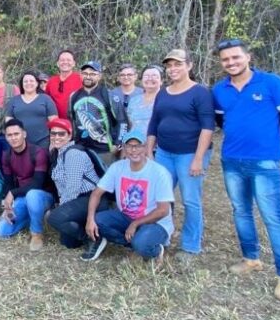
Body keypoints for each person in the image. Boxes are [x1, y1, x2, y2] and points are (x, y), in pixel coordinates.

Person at [213, 39, 280, 301]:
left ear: (248, 57)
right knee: (241, 211)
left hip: (264, 162)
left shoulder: (271, 83)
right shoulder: (219, 90)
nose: (231, 62)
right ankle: (251, 258)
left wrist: (270, 139)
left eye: (235, 57)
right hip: (232, 160)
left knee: (273, 216)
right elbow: (221, 120)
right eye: (226, 59)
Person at [146, 49, 214, 261]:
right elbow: (154, 123)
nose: (172, 69)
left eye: (178, 64)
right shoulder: (163, 93)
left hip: (189, 154)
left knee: (191, 200)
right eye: (169, 65)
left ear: (189, 65)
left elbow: (207, 127)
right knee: (161, 198)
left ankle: (191, 246)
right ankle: (162, 236)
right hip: (164, 153)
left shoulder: (200, 93)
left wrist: (198, 159)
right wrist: (149, 151)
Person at [84, 130, 175, 264]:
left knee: (142, 244)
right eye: (129, 146)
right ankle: (133, 244)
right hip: (127, 217)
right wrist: (90, 219)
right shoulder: (117, 167)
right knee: (97, 221)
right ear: (124, 148)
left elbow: (163, 211)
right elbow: (96, 193)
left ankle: (155, 250)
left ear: (145, 147)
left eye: (138, 146)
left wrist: (135, 223)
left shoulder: (160, 173)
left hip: (155, 222)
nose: (134, 150)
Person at [45, 118, 107, 260]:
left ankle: (93, 239)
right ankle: (87, 230)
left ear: (69, 135)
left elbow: (73, 188)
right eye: (53, 133)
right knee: (69, 243)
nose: (56, 137)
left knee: (54, 217)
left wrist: (61, 209)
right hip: (78, 201)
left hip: (90, 199)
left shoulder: (73, 153)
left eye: (61, 134)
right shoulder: (58, 153)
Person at [0, 119, 54, 250]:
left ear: (24, 134)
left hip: (42, 195)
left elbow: (37, 184)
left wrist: (13, 193)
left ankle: (36, 233)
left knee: (32, 195)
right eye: (9, 135)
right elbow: (8, 183)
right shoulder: (6, 155)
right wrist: (8, 206)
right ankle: (36, 216)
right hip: (22, 196)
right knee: (2, 231)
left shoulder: (38, 152)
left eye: (16, 134)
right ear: (6, 137)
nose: (13, 138)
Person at [69, 60, 127, 165]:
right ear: (80, 75)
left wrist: (117, 144)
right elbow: (72, 121)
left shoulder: (110, 96)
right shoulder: (74, 96)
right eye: (85, 73)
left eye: (92, 74)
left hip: (104, 151)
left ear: (99, 76)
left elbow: (122, 122)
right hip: (80, 150)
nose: (88, 77)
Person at [5, 71, 58, 149]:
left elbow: (54, 122)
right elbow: (8, 123)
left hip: (43, 142)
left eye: (31, 81)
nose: (28, 83)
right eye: (25, 81)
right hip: (20, 144)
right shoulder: (14, 101)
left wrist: (54, 142)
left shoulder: (46, 99)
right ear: (22, 84)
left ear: (37, 83)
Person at [127, 65, 163, 140]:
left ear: (161, 81)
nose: (150, 78)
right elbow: (129, 125)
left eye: (154, 76)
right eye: (146, 76)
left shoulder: (166, 100)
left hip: (159, 145)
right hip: (135, 144)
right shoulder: (133, 101)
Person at [45, 50, 83, 120]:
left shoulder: (81, 80)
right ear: (58, 63)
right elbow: (46, 102)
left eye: (68, 60)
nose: (65, 62)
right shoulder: (51, 81)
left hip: (76, 122)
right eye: (62, 60)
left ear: (74, 63)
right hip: (56, 123)